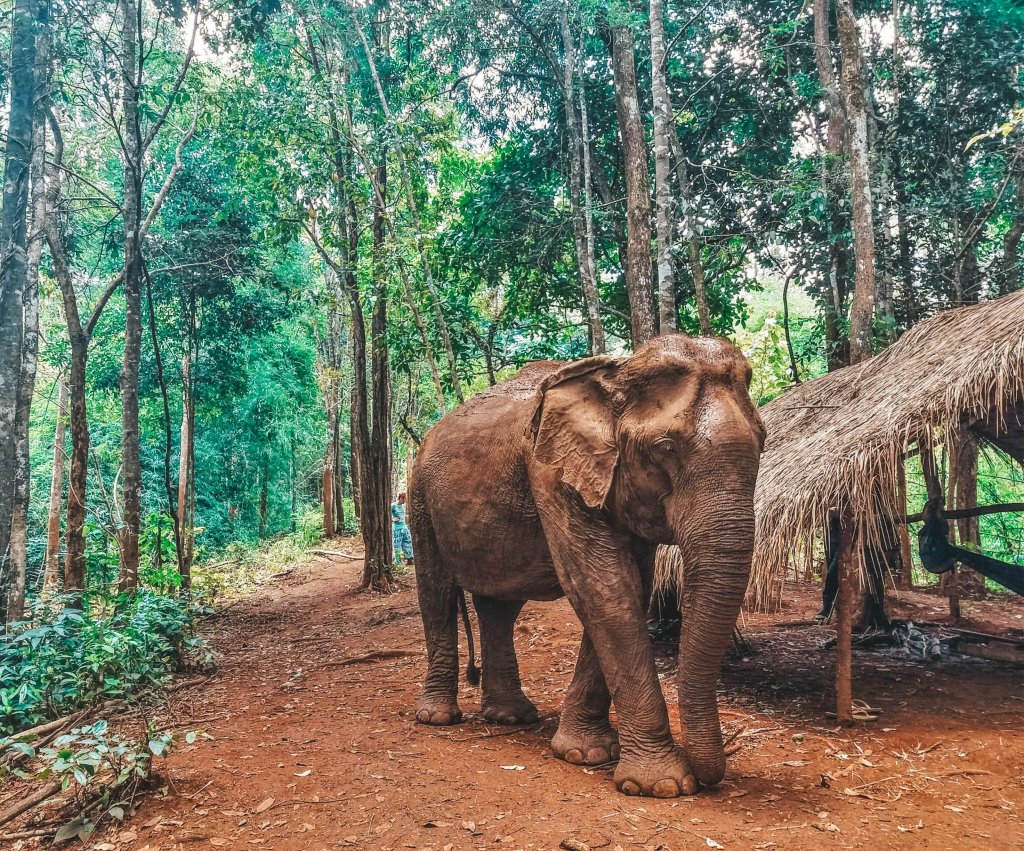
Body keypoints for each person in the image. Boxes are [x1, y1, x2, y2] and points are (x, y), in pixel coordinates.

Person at [392, 492, 414, 566]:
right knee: (397, 545)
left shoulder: (403, 506)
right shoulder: (393, 506)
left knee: (408, 541)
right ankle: (398, 562)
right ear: (401, 498)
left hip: (404, 527)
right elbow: (386, 515)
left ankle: (409, 558)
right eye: (404, 499)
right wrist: (393, 519)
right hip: (396, 528)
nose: (405, 501)